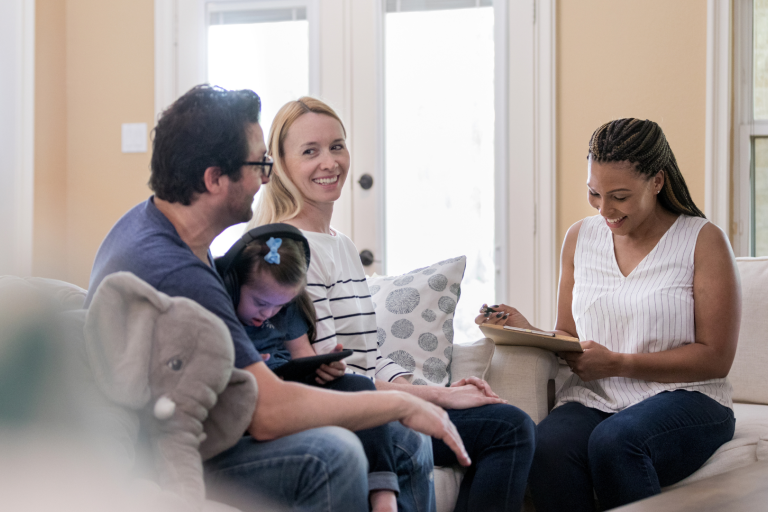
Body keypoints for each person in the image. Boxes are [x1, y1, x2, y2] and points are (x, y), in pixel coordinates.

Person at [85, 85, 470, 512]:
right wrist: (399, 401)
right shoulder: (175, 271)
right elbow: (267, 413)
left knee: (402, 435)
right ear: (214, 178)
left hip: (207, 426)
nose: (266, 178)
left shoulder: (162, 229)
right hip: (168, 454)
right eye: (259, 164)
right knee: (331, 455)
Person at [249, 96, 537, 512]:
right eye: (310, 151)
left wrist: (425, 391)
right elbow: (328, 373)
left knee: (510, 425)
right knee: (500, 430)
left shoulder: (341, 245)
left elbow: (368, 353)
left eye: (337, 146)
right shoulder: (289, 252)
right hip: (346, 408)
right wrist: (437, 400)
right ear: (281, 164)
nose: (329, 162)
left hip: (374, 398)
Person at [477, 118, 740, 511]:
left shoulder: (702, 240)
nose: (605, 210)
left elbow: (716, 359)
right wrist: (526, 329)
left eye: (619, 196)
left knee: (616, 442)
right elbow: (569, 334)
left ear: (657, 181)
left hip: (690, 398)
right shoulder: (579, 238)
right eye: (594, 194)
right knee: (545, 445)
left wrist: (618, 362)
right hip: (596, 398)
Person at [215, 224, 434, 512]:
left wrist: (322, 369)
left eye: (279, 306)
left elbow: (301, 355)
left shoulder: (284, 307)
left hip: (290, 382)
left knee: (360, 387)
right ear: (234, 283)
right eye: (260, 303)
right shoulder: (219, 306)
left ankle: (383, 493)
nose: (268, 313)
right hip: (254, 392)